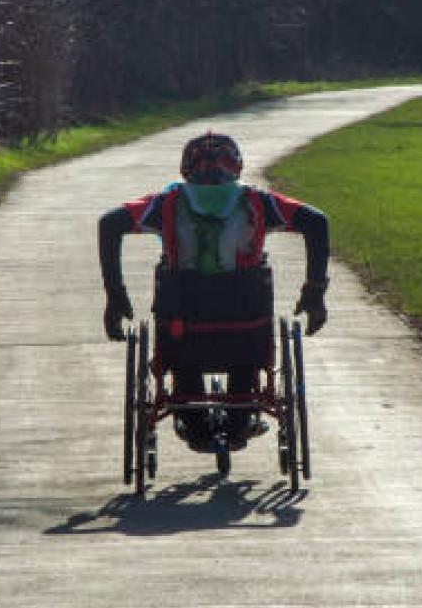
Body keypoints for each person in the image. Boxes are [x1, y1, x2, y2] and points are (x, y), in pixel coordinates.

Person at [98, 131, 329, 450]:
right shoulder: (259, 203)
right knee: (244, 351)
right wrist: (314, 291)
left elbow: (110, 223)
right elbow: (317, 222)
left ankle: (195, 424)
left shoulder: (166, 203)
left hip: (181, 323)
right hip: (247, 323)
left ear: (185, 169)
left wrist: (115, 294)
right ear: (236, 167)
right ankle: (239, 422)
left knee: (183, 353)